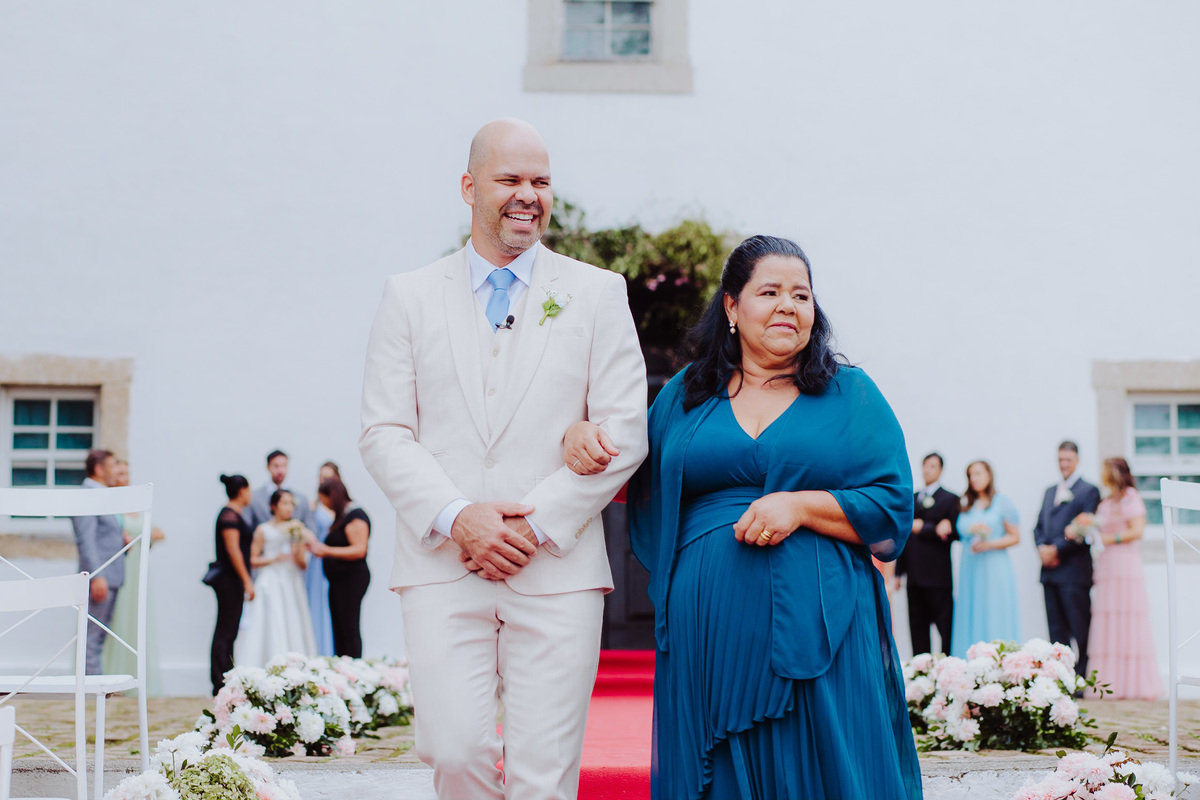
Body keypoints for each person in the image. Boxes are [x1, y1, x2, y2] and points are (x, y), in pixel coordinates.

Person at [569, 234, 921, 800]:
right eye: (771, 292)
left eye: (802, 296)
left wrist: (800, 505)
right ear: (732, 307)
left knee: (825, 766)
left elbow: (892, 504)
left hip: (823, 624)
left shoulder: (850, 394)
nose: (789, 305)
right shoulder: (686, 394)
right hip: (710, 628)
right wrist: (579, 430)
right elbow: (625, 470)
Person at [358, 118, 648, 800]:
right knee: (452, 750)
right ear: (468, 186)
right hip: (442, 563)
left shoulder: (597, 292)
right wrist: (460, 518)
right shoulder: (409, 295)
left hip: (555, 566)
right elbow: (384, 432)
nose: (528, 195)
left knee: (543, 775)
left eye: (541, 182)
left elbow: (625, 430)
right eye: (510, 179)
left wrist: (532, 522)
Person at [1087, 457, 1161, 699]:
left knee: (1128, 618)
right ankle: (1110, 683)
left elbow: (1137, 530)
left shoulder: (1131, 496)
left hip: (1125, 565)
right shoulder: (1106, 501)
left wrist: (1110, 539)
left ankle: (1133, 684)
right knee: (1109, 618)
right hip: (1107, 567)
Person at [1034, 441, 1101, 678]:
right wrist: (1042, 548)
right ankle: (1061, 677)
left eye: (1068, 460)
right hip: (1049, 572)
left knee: (1079, 626)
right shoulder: (1049, 491)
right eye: (1060, 459)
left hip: (1074, 572)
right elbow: (1039, 526)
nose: (1064, 464)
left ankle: (1081, 677)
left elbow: (1084, 531)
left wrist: (1056, 549)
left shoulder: (1089, 491)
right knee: (1056, 629)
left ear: (1077, 460)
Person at [101, 458, 166, 691]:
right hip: (119, 567)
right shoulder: (110, 505)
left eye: (126, 473)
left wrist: (152, 537)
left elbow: (144, 534)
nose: (124, 478)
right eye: (119, 473)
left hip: (137, 567)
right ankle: (109, 677)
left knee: (135, 618)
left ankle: (133, 678)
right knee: (115, 618)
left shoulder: (136, 504)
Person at [234, 489, 318, 668]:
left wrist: (298, 549)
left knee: (293, 620)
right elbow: (253, 559)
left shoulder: (297, 529)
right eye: (284, 503)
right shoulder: (263, 529)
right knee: (271, 618)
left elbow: (303, 565)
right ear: (274, 506)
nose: (289, 508)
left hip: (291, 580)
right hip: (271, 579)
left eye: (291, 504)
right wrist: (274, 559)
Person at [950, 460, 1022, 657]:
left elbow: (1015, 537)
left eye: (978, 473)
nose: (974, 478)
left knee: (994, 612)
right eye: (970, 475)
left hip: (994, 567)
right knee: (971, 612)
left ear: (989, 475)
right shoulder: (966, 504)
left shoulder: (1001, 502)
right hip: (971, 568)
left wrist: (990, 544)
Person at [896, 452, 960, 657]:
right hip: (914, 577)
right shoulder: (912, 498)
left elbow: (956, 533)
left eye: (932, 466)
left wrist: (925, 527)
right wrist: (899, 572)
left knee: (945, 628)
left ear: (941, 470)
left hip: (938, 577)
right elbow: (904, 536)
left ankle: (946, 669)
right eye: (925, 465)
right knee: (917, 629)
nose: (927, 470)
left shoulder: (950, 499)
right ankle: (921, 674)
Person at [71, 449, 124, 674]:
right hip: (100, 578)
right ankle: (91, 691)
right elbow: (87, 540)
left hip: (112, 576)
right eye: (112, 466)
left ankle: (95, 686)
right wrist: (97, 575)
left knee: (99, 637)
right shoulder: (87, 497)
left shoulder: (102, 496)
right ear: (99, 469)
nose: (116, 471)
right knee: (91, 637)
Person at [309, 477, 370, 658]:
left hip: (351, 580)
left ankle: (354, 665)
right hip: (338, 582)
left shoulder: (355, 516)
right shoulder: (340, 518)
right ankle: (342, 664)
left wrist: (327, 551)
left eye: (324, 500)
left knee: (349, 626)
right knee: (339, 627)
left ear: (332, 496)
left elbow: (360, 550)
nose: (324, 505)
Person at [207, 474, 255, 694]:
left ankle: (225, 674)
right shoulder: (229, 516)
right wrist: (246, 580)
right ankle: (220, 679)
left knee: (230, 629)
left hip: (232, 579)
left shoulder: (233, 514)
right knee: (226, 630)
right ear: (242, 490)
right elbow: (233, 549)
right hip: (229, 579)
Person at [306, 461, 339, 656]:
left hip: (334, 559)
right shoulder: (313, 505)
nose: (323, 481)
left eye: (327, 477)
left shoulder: (341, 508)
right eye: (321, 477)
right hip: (317, 562)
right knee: (316, 605)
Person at [244, 450, 316, 532]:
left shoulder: (302, 499)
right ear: (268, 467)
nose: (280, 471)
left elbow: (311, 529)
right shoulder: (254, 498)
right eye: (276, 466)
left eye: (284, 466)